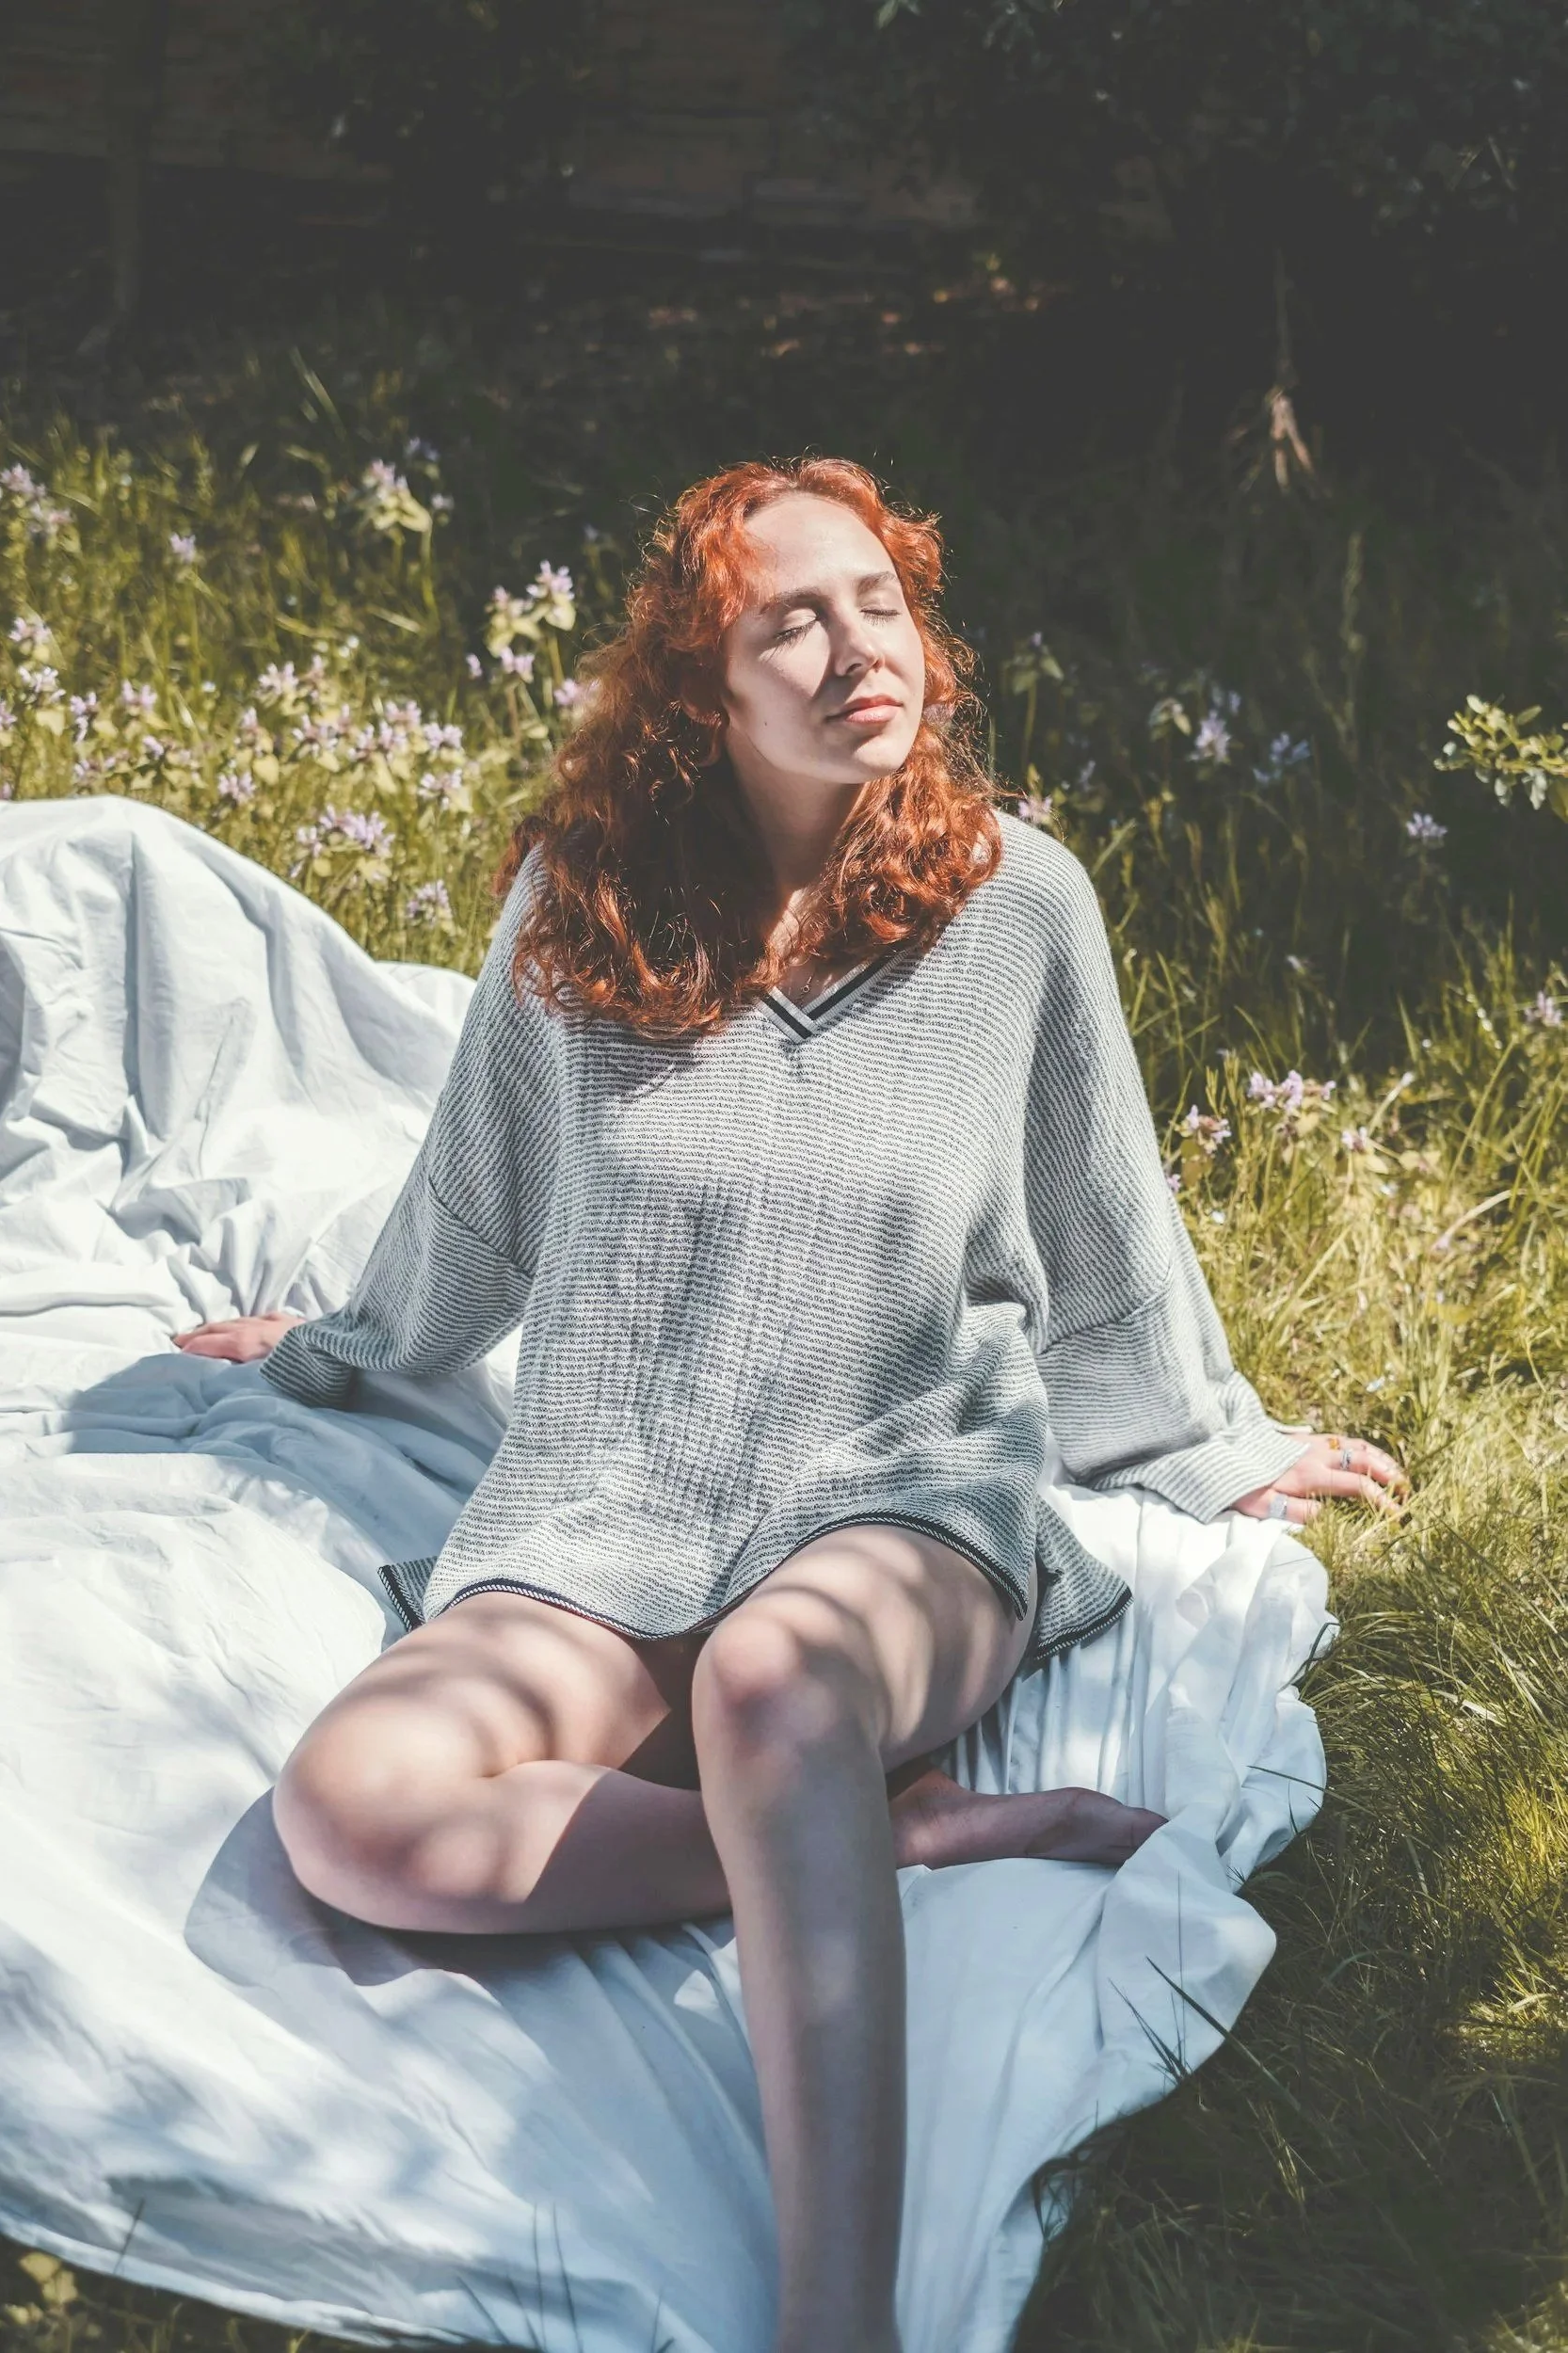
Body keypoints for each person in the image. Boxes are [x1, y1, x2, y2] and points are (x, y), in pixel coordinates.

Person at [175, 456, 1406, 2353]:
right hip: (605, 1492)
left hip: (907, 1497)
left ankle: (836, 2315)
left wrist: (1213, 1446)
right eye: (790, 620)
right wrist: (335, 1347)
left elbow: (1104, 1226)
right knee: (351, 1812)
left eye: (879, 601)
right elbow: (470, 1212)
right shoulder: (576, 922)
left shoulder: (1019, 909)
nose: (858, 650)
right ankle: (866, 1828)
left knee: (769, 1680)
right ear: (700, 687)